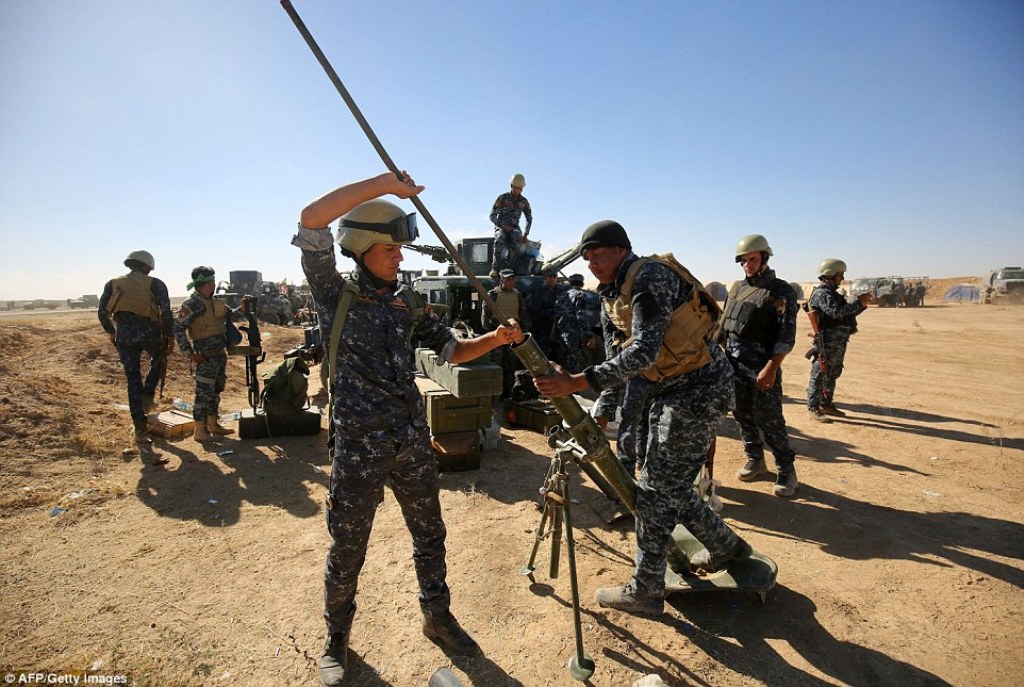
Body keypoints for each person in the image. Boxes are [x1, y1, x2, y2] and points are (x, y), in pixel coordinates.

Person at [293, 171, 524, 687]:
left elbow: (452, 351)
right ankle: (337, 637)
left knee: (430, 537)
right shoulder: (335, 292)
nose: (401, 256)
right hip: (359, 446)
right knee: (348, 546)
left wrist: (495, 338)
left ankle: (437, 618)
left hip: (411, 441)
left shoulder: (408, 300)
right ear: (364, 246)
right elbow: (311, 220)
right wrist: (383, 185)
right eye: (392, 247)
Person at [535, 220, 750, 617]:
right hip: (670, 389)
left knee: (653, 492)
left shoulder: (650, 278)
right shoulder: (611, 293)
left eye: (598, 254)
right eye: (587, 257)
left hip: (699, 387)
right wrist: (601, 410)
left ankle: (646, 591)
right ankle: (726, 546)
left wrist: (578, 382)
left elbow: (644, 353)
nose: (592, 263)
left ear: (620, 249)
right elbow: (620, 355)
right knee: (668, 483)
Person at [719, 234, 800, 497]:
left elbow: (785, 336)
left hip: (761, 367)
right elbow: (724, 326)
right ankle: (755, 459)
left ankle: (786, 469)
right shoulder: (737, 288)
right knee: (742, 414)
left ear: (764, 259)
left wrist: (771, 368)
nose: (747, 265)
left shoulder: (781, 291)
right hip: (733, 365)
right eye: (743, 261)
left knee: (770, 419)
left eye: (752, 259)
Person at [98, 250, 175, 445]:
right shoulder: (155, 284)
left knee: (132, 380)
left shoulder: (113, 283)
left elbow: (102, 313)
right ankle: (148, 396)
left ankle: (140, 430)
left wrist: (112, 331)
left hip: (124, 336)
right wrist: (170, 336)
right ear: (147, 266)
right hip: (149, 333)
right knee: (159, 360)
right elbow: (166, 313)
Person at [172, 266, 240, 442]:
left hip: (219, 355)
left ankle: (213, 425)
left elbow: (230, 316)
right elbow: (178, 327)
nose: (214, 284)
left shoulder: (214, 301)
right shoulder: (192, 304)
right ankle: (200, 430)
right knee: (203, 393)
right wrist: (189, 353)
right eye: (212, 281)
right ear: (207, 283)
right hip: (206, 357)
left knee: (215, 391)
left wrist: (243, 307)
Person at [806, 258, 870, 422]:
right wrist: (858, 303)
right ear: (830, 275)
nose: (842, 278)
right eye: (840, 275)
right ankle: (813, 407)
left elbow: (845, 315)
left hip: (837, 341)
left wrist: (861, 305)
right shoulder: (822, 294)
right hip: (827, 341)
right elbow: (836, 313)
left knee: (832, 373)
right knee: (820, 373)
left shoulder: (833, 294)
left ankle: (826, 404)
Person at [481, 268, 531, 399]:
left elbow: (523, 315)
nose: (510, 281)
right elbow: (485, 318)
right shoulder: (493, 294)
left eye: (512, 279)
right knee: (495, 366)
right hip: (497, 335)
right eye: (507, 279)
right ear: (501, 280)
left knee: (510, 366)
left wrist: (522, 334)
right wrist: (491, 331)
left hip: (513, 336)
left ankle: (507, 395)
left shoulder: (517, 295)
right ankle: (493, 396)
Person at [488, 173, 532, 277]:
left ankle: (505, 267)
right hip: (501, 226)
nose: (517, 190)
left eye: (519, 189)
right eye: (515, 188)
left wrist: (526, 234)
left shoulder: (524, 201)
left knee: (517, 239)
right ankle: (495, 267)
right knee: (500, 238)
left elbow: (529, 218)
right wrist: (502, 225)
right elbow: (492, 216)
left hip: (514, 228)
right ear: (511, 186)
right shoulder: (503, 198)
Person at [527, 270, 561, 358]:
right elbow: (535, 308)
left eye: (554, 277)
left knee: (557, 349)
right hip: (542, 325)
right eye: (550, 277)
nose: (552, 279)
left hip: (557, 324)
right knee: (542, 349)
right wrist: (550, 316)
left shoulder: (560, 291)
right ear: (546, 278)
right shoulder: (538, 290)